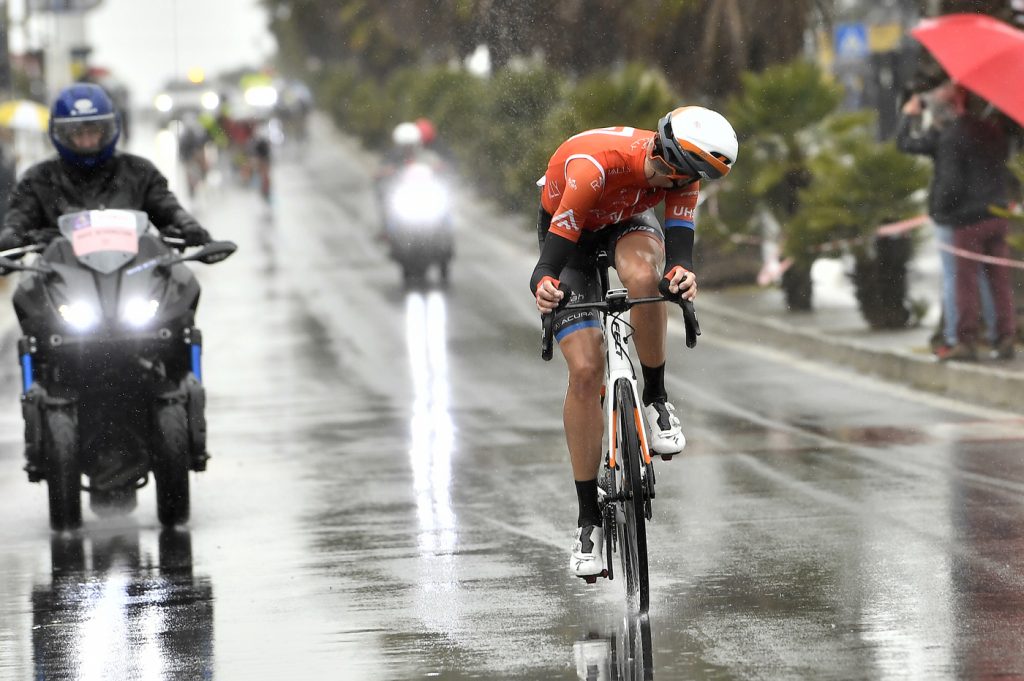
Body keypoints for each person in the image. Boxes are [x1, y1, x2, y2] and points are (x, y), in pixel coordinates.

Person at [530, 106, 738, 578]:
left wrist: (681, 273)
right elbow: (548, 262)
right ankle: (588, 521)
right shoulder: (594, 167)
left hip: (627, 220)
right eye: (672, 174)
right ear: (663, 153)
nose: (677, 184)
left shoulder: (685, 171)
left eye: (687, 179)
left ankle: (656, 398)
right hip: (572, 234)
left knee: (645, 278)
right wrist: (544, 285)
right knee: (586, 371)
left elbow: (680, 246)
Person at [0, 83, 213, 254]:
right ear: (61, 134)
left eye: (93, 132)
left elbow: (166, 205)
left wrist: (187, 224)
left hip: (133, 274)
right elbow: (19, 216)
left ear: (109, 129)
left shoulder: (139, 171)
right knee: (27, 292)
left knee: (180, 286)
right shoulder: (39, 178)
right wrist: (11, 235)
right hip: (58, 279)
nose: (87, 141)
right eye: (77, 133)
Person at [897, 82, 1017, 361]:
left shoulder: (952, 137)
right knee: (998, 280)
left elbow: (950, 184)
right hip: (997, 214)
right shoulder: (990, 130)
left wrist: (940, 212)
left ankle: (964, 340)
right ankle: (1005, 336)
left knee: (964, 281)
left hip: (966, 219)